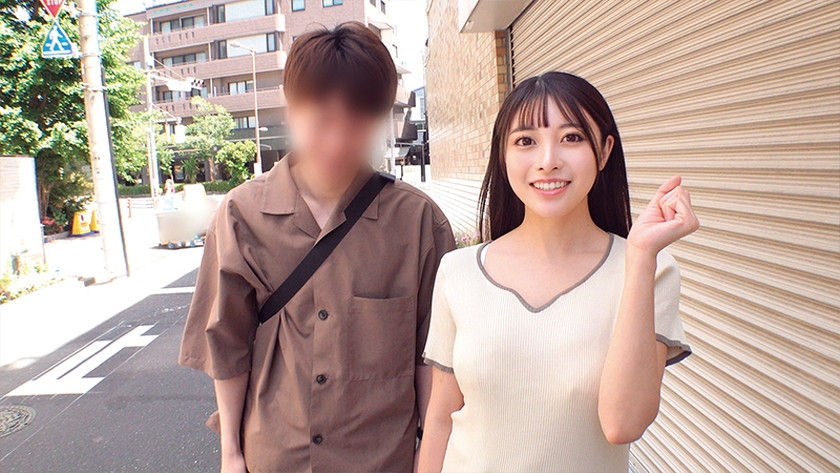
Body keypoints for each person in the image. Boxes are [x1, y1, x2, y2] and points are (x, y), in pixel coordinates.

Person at [179, 22, 454, 473]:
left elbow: (433, 356)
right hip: (276, 456)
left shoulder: (418, 222)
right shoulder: (242, 216)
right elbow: (227, 346)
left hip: (383, 460)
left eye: (357, 124)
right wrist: (231, 453)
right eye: (321, 121)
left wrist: (429, 455)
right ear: (292, 111)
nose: (337, 142)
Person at [417, 72, 699, 473]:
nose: (548, 160)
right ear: (503, 155)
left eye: (572, 137)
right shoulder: (458, 271)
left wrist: (639, 257)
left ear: (604, 151)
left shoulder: (649, 270)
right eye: (525, 141)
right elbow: (441, 418)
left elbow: (623, 424)